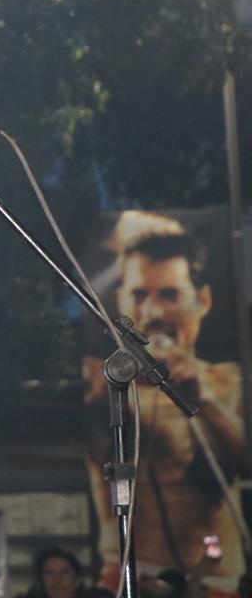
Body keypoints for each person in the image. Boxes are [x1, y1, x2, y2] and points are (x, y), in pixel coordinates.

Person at [84, 223, 246, 598]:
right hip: (124, 571)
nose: (153, 311)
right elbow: (93, 450)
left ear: (202, 300)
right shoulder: (101, 382)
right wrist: (116, 388)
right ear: (122, 301)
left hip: (210, 578)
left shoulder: (229, 382)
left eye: (169, 294)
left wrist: (200, 396)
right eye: (139, 294)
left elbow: (240, 462)